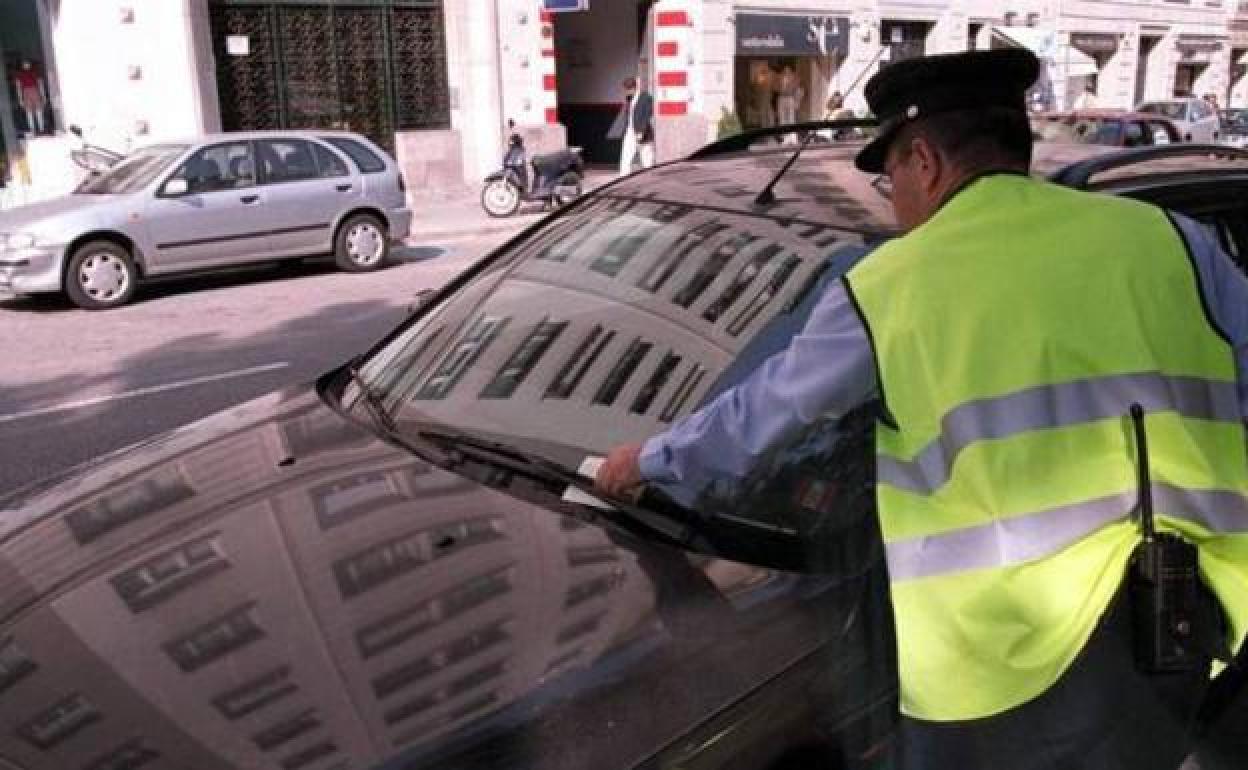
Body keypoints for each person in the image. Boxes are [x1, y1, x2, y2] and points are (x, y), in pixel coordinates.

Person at [595, 48, 1248, 769]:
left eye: (889, 175)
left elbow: (765, 413)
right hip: (1170, 625)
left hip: (999, 667)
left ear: (926, 161)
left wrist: (646, 461)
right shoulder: (1168, 240)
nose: (890, 196)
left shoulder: (892, 286)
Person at [608, 76, 654, 177]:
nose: (625, 92)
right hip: (630, 131)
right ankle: (623, 177)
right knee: (626, 155)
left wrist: (641, 131)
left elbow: (647, 115)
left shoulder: (646, 97)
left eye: (627, 90)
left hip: (643, 133)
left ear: (633, 88)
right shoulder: (629, 98)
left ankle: (650, 177)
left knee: (646, 158)